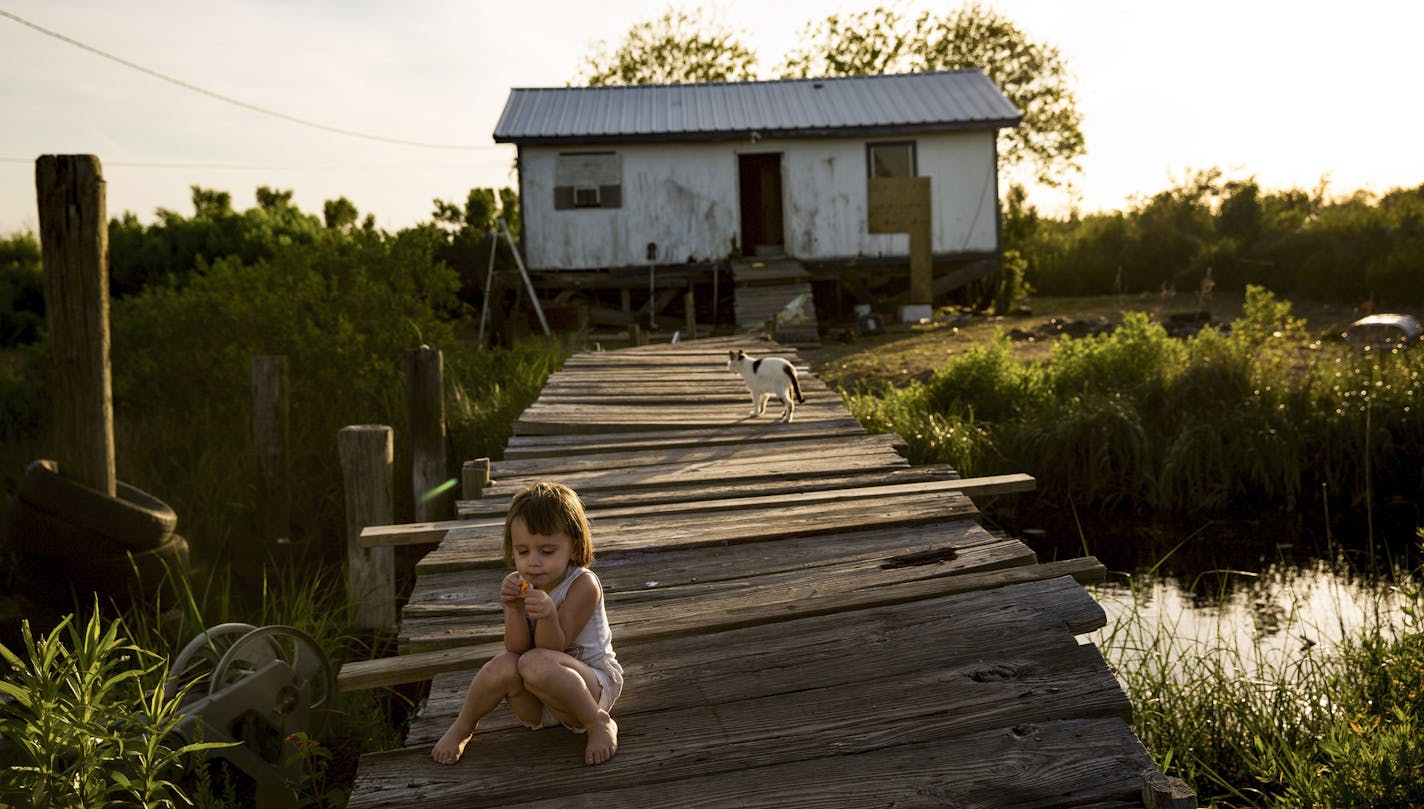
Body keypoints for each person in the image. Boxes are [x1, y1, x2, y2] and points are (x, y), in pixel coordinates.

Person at [430, 480, 623, 766]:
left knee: (535, 663)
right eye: (522, 552)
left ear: (573, 547)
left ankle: (598, 723)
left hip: (589, 689)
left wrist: (547, 615)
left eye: (546, 552)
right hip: (540, 698)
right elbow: (516, 648)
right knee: (503, 665)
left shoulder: (583, 585)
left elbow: (552, 647)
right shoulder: (519, 584)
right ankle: (464, 726)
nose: (533, 562)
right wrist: (512, 608)